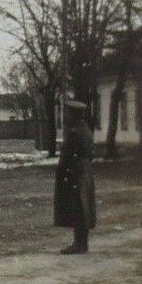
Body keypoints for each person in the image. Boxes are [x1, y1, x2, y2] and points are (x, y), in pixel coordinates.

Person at [54, 99, 96, 254]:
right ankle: (82, 243)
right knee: (84, 206)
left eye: (69, 113)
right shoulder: (86, 130)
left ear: (73, 114)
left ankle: (79, 244)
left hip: (75, 171)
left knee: (78, 207)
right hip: (86, 171)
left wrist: (61, 172)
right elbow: (91, 153)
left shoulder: (74, 132)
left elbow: (67, 155)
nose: (67, 116)